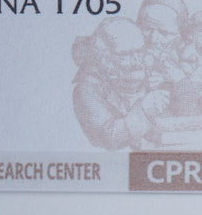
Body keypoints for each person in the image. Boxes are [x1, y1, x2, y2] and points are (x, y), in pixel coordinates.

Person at [72, 17, 169, 149]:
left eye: (139, 51)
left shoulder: (147, 74)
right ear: (105, 58)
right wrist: (144, 109)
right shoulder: (86, 90)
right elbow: (109, 139)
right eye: (126, 55)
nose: (136, 61)